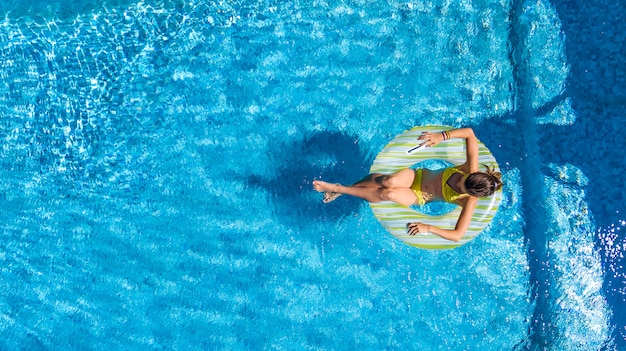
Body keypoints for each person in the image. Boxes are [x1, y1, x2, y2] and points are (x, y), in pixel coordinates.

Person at [312, 127, 502, 242]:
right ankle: (342, 187)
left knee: (390, 194)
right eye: (463, 179)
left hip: (419, 197)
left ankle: (339, 189)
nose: (460, 182)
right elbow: (470, 133)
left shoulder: (469, 201)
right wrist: (441, 136)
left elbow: (458, 235)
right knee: (389, 181)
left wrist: (428, 228)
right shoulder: (471, 167)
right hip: (416, 177)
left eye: (462, 187)